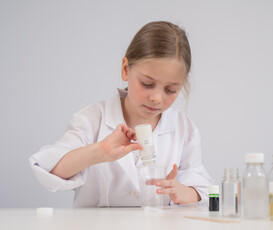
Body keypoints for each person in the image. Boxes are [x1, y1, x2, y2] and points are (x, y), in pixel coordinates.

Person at [29, 21, 213, 207]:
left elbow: (202, 188)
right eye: (147, 84)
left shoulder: (183, 128)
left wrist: (184, 192)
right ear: (126, 69)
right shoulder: (92, 119)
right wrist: (99, 152)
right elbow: (50, 170)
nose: (157, 98)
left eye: (171, 90)